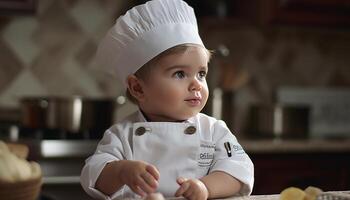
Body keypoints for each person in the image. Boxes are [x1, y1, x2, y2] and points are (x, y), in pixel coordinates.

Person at [80, 0, 254, 199]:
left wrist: (205, 187)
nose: (197, 84)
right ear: (138, 88)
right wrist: (122, 171)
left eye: (201, 73)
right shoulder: (122, 134)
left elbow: (239, 170)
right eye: (180, 74)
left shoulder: (214, 131)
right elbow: (92, 176)